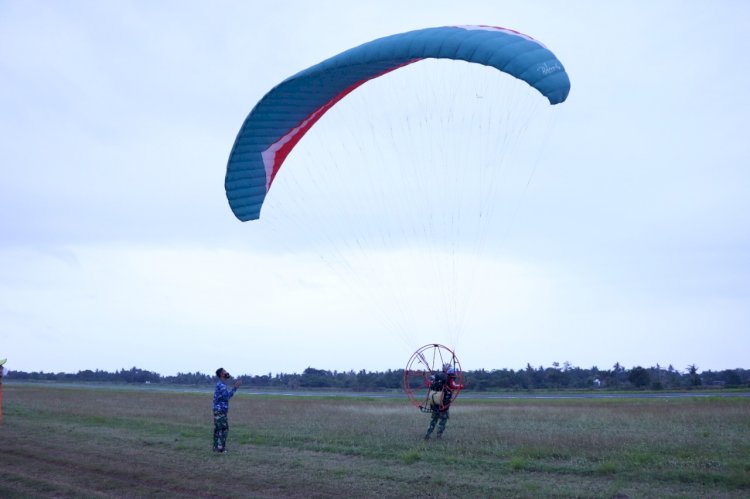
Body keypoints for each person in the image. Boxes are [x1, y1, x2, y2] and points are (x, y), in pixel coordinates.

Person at [423, 364, 464, 440]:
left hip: (435, 403)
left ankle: (428, 434)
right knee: (443, 420)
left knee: (433, 420)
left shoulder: (437, 379)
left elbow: (428, 383)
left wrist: (425, 377)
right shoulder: (449, 380)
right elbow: (454, 386)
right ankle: (439, 436)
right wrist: (462, 386)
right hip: (444, 404)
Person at [213, 367, 241, 453]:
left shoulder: (220, 384)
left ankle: (216, 447)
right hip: (220, 410)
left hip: (218, 410)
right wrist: (235, 387)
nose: (226, 373)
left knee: (218, 429)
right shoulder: (221, 385)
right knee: (224, 429)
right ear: (221, 374)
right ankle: (221, 448)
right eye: (224, 371)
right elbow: (227, 397)